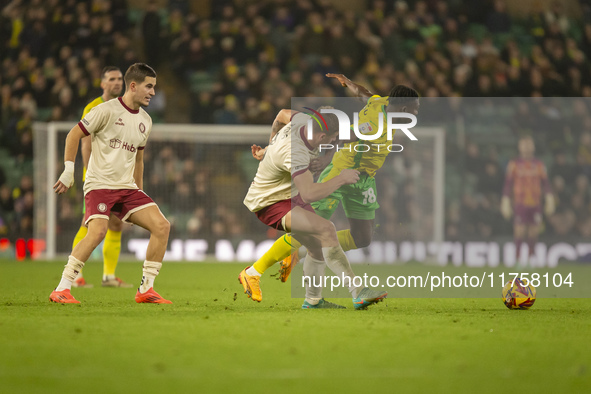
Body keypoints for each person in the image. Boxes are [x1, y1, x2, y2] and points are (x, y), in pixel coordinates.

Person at [249, 73, 420, 286]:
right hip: (341, 171)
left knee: (362, 238)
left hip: (364, 179)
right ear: (404, 110)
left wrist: (348, 82)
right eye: (415, 110)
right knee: (308, 228)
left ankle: (299, 253)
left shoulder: (381, 102)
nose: (416, 114)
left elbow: (363, 94)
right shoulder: (375, 126)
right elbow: (340, 135)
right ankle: (258, 270)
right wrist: (326, 157)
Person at [239, 107, 388, 309]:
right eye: (333, 138)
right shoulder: (295, 152)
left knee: (317, 245)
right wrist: (341, 178)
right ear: (323, 135)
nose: (334, 142)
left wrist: (270, 145)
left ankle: (311, 300)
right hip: (270, 201)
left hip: (289, 195)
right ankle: (358, 292)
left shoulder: (303, 120)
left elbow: (282, 114)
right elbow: (309, 193)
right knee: (326, 229)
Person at [49, 63, 172, 304]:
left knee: (162, 226)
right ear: (133, 85)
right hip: (100, 185)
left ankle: (146, 289)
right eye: (149, 86)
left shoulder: (145, 121)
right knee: (97, 232)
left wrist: (139, 193)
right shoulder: (105, 110)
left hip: (127, 189)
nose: (153, 93)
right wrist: (68, 169)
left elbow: (139, 159)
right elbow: (74, 134)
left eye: (154, 87)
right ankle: (62, 288)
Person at [70, 66, 132, 288]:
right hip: (97, 177)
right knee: (89, 224)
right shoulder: (93, 107)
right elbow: (85, 143)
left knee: (116, 225)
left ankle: (108, 276)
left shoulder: (125, 108)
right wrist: (90, 174)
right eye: (112, 79)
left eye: (119, 79)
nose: (117, 82)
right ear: (102, 84)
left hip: (117, 177)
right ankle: (75, 275)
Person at [501, 135, 555, 265]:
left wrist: (549, 198)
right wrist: (505, 200)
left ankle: (531, 260)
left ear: (533, 147)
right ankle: (519, 260)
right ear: (519, 147)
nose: (526, 147)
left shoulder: (539, 165)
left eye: (529, 144)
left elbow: (545, 183)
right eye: (524, 144)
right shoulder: (514, 164)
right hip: (520, 203)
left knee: (533, 232)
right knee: (519, 231)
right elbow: (508, 184)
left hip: (535, 203)